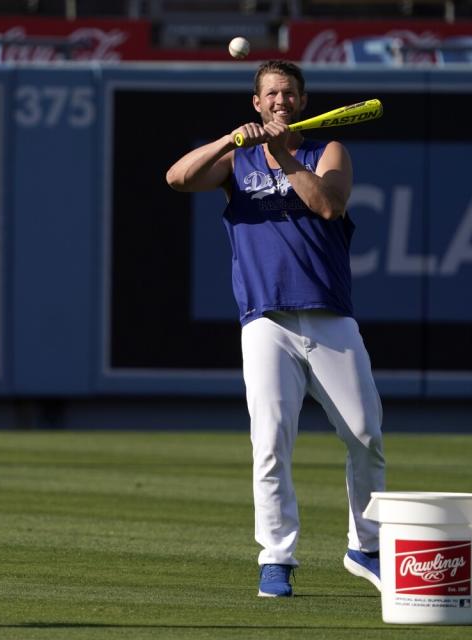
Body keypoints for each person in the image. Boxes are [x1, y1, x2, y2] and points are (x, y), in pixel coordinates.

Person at [165, 60, 385, 598]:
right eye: (271, 94)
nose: (281, 100)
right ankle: (277, 558)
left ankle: (366, 547)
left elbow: (328, 206)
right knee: (270, 442)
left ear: (302, 102)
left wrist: (283, 153)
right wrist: (229, 140)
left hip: (330, 316)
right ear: (257, 104)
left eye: (289, 92)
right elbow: (177, 178)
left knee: (365, 435)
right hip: (265, 320)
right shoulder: (237, 160)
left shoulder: (325, 151)